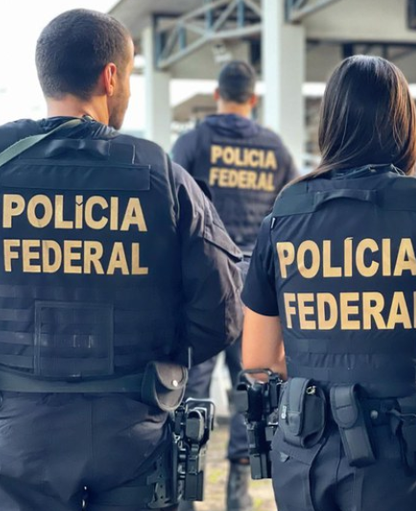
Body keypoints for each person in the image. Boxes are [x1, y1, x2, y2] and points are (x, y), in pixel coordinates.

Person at [0, 9, 243, 511]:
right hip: (134, 431)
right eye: (131, 77)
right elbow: (222, 315)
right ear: (110, 77)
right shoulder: (164, 177)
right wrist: (154, 362)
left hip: (19, 434)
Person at [241, 55, 416, 511]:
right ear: (404, 123)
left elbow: (258, 358)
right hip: (402, 461)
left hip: (306, 458)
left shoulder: (282, 221)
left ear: (331, 122)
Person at [171, 59, 298, 511]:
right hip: (254, 288)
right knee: (251, 386)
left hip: (204, 287)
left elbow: (173, 210)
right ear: (253, 98)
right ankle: (238, 496)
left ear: (217, 94)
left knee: (193, 392)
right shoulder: (276, 149)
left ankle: (185, 497)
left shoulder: (192, 142)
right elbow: (289, 215)